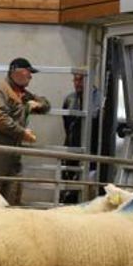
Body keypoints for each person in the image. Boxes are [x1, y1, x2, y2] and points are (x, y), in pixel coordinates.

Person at [0, 57, 50, 205]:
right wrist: (22, 133)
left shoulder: (21, 93)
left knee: (12, 190)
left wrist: (37, 105)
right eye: (28, 72)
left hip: (11, 151)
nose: (30, 76)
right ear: (15, 72)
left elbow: (46, 103)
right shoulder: (0, 90)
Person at [60, 71, 100, 204]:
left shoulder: (99, 100)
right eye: (75, 80)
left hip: (91, 151)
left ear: (90, 80)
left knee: (87, 189)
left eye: (80, 80)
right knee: (67, 188)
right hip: (72, 150)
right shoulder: (70, 99)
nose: (77, 84)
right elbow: (67, 125)